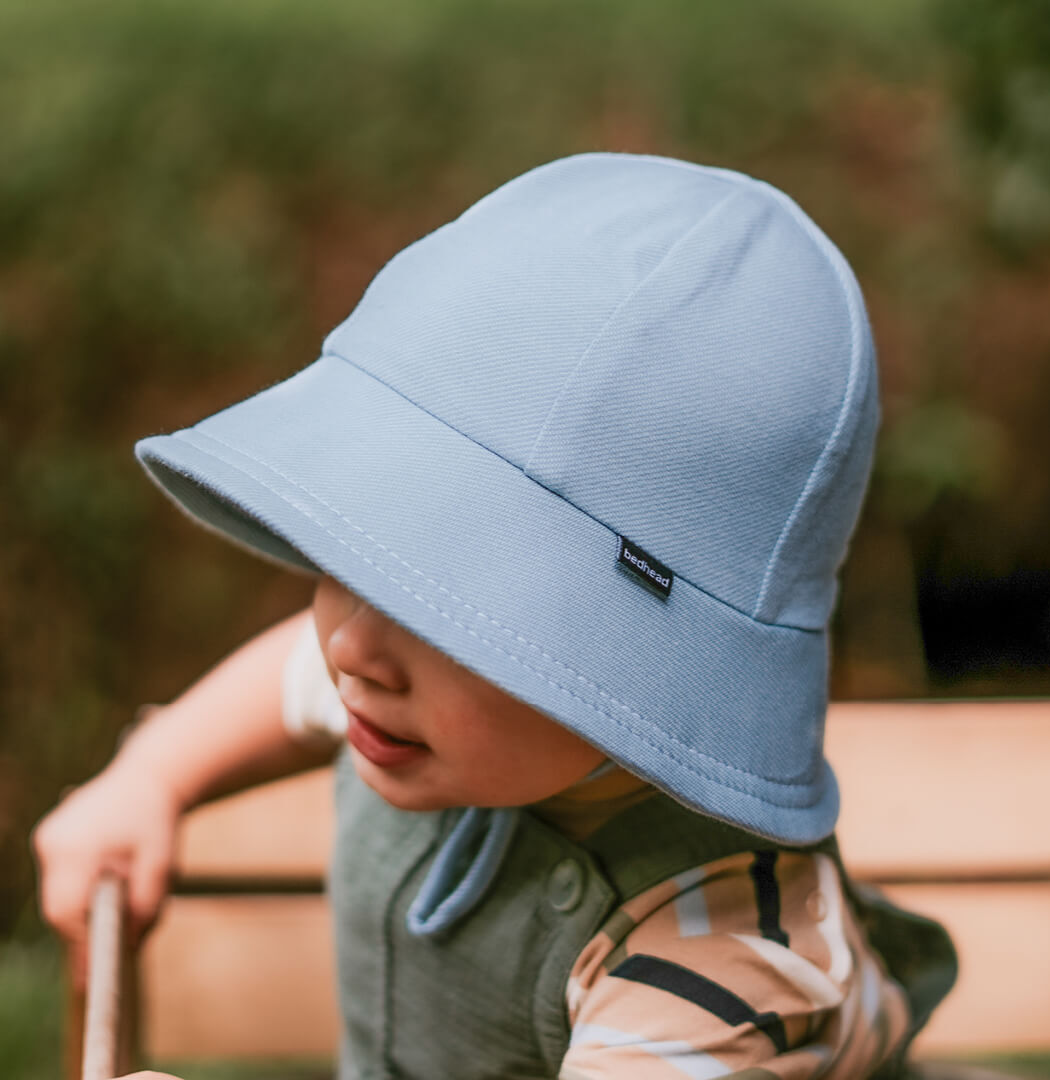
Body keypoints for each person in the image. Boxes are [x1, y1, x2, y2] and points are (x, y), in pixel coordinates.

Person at [34, 152, 956, 1080]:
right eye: (354, 561)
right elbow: (292, 677)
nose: (351, 648)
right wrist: (150, 778)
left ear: (639, 679)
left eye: (450, 613)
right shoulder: (404, 693)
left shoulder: (712, 957)